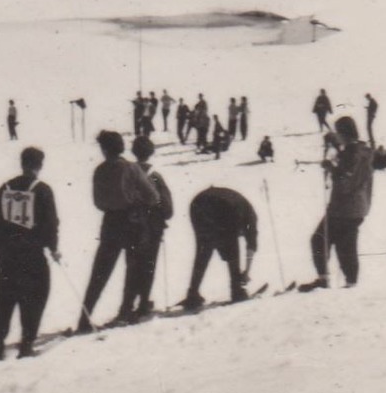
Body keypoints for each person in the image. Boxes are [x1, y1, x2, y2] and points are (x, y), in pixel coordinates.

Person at [77, 130, 159, 332]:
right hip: (133, 222)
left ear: (105, 149)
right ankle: (126, 311)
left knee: (100, 271)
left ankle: (84, 318)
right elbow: (153, 196)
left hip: (110, 222)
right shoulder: (131, 168)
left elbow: (98, 202)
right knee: (133, 267)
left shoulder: (99, 170)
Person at [0, 147, 59, 360]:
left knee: (5, 298)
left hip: (7, 254)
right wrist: (53, 247)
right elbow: (50, 223)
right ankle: (27, 343)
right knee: (36, 295)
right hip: (32, 254)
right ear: (40, 165)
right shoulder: (42, 190)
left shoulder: (5, 188)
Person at [303, 117, 375, 291]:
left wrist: (331, 169)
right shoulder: (361, 150)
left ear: (345, 133)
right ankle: (348, 281)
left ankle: (331, 280)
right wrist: (335, 147)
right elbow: (348, 163)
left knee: (324, 240)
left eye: (339, 132)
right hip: (356, 207)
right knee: (342, 243)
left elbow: (346, 181)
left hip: (345, 208)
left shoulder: (353, 154)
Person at [181, 186, 257, 307]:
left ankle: (192, 294)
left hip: (198, 202)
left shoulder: (243, 212)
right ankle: (237, 291)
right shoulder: (250, 219)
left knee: (203, 249)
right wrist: (246, 272)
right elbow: (251, 246)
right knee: (232, 250)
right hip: (224, 206)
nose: (240, 235)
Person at [127, 138, 173, 319]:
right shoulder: (155, 175)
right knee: (148, 265)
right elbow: (168, 208)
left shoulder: (128, 174)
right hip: (152, 227)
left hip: (132, 226)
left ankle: (129, 303)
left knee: (133, 265)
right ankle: (144, 302)